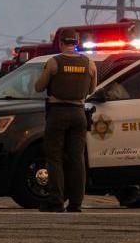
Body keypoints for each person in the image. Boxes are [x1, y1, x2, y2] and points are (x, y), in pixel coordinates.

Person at [34, 28, 97, 213]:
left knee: (54, 157)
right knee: (77, 159)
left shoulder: (54, 62)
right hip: (79, 113)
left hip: (58, 112)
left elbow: (39, 87)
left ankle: (56, 200)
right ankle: (76, 202)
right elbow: (92, 89)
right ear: (76, 43)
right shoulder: (89, 63)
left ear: (61, 43)